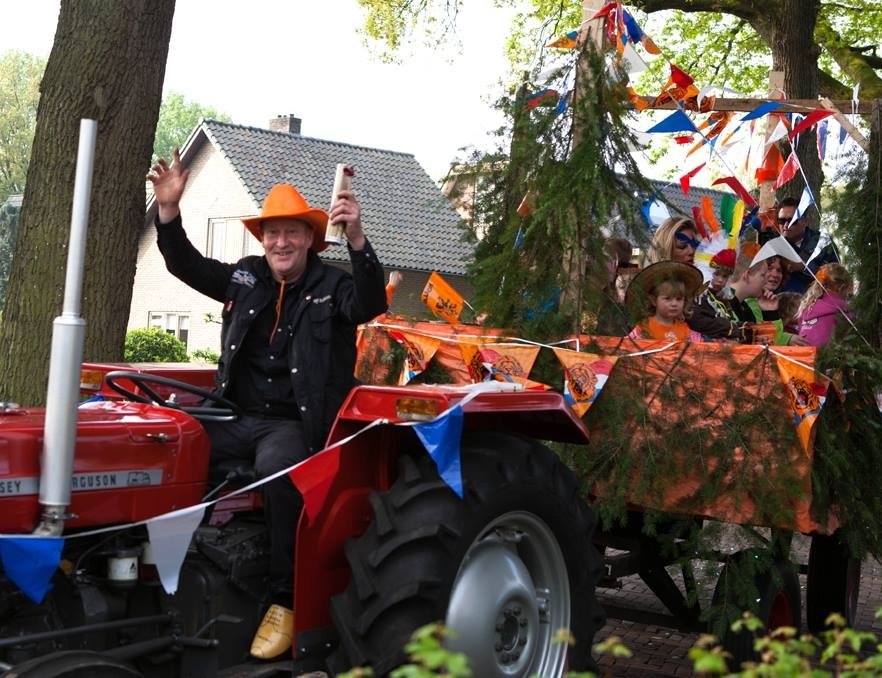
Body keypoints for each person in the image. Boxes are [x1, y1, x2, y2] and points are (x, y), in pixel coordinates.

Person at [147, 150, 387, 659]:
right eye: (272, 233)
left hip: (290, 425)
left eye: (292, 233)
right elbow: (185, 264)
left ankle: (284, 599)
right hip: (236, 416)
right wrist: (168, 212)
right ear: (263, 239)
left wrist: (360, 238)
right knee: (169, 439)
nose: (281, 242)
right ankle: (162, 563)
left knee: (279, 469)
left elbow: (371, 303)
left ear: (309, 240)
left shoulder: (334, 287)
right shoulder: (245, 277)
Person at [726, 243, 807, 346]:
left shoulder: (744, 307)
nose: (766, 280)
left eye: (779, 270)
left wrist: (770, 314)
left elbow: (767, 343)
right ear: (746, 275)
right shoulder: (722, 304)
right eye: (763, 275)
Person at [774, 197, 840, 294]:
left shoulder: (823, 242)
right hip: (783, 303)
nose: (786, 225)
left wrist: (805, 267)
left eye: (792, 221)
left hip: (818, 301)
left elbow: (837, 277)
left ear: (805, 221)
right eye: (781, 221)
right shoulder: (773, 245)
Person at [625, 261, 703, 342]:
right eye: (668, 298)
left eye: (679, 299)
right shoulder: (643, 328)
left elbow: (699, 349)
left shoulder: (686, 331)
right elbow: (626, 346)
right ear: (654, 300)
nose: (674, 304)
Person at [687, 248, 750, 342]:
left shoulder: (722, 300)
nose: (720, 280)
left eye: (725, 276)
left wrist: (746, 327)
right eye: (716, 274)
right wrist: (731, 328)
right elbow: (699, 322)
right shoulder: (698, 297)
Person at [797, 263, 854, 346]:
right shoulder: (842, 308)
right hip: (825, 356)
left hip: (802, 354)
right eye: (848, 291)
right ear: (841, 287)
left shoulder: (808, 305)